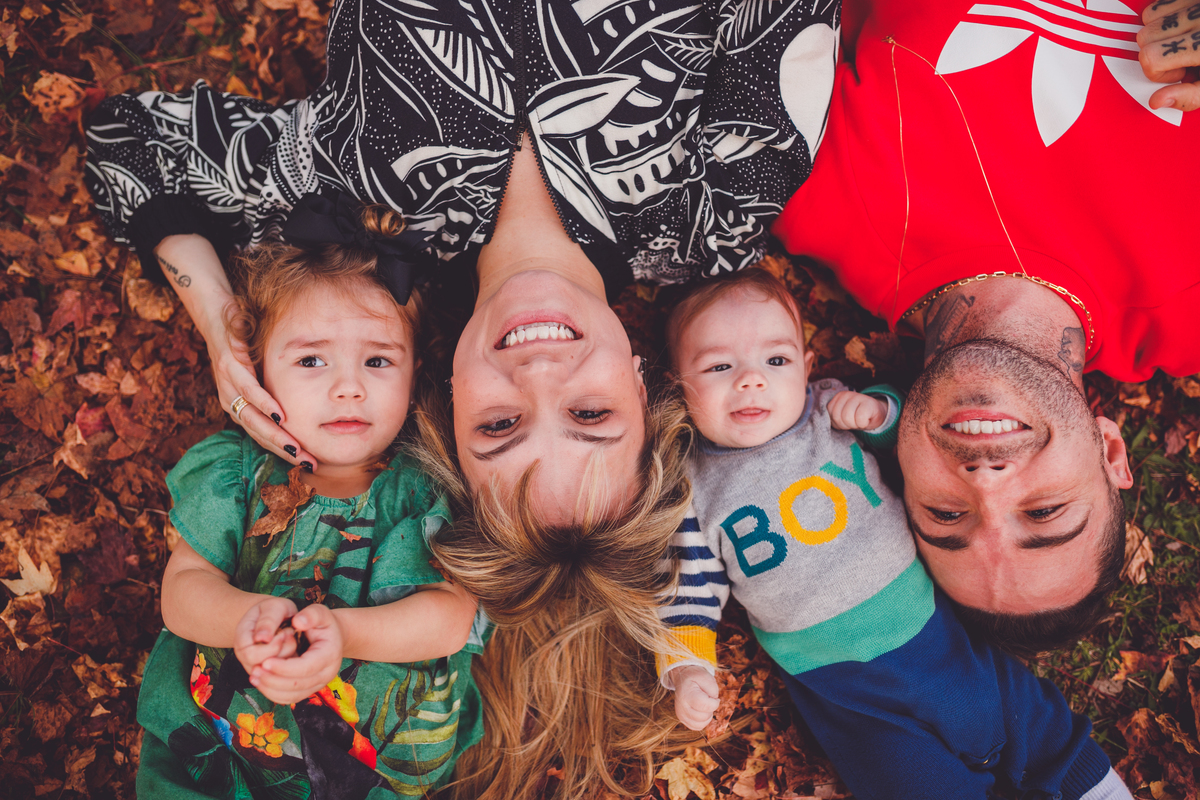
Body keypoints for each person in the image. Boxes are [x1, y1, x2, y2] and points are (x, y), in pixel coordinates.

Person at [84, 1, 843, 795]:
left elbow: (128, 147)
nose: (542, 375)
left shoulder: (358, 202)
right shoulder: (720, 207)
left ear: (446, 407)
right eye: (592, 416)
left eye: (500, 425)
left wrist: (221, 326)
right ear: (645, 383)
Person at [772, 0, 1200, 653]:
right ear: (1111, 453)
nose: (986, 481)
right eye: (1045, 512)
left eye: (947, 515)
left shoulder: (815, 199)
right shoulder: (1187, 310)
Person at [655, 267, 1132, 800]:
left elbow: (925, 444)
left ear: (806, 368)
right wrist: (686, 663)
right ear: (677, 386)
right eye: (719, 366)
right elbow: (687, 586)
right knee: (907, 781)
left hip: (935, 635)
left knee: (1029, 720)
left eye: (776, 361)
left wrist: (879, 412)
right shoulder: (692, 488)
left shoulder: (826, 412)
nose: (751, 379)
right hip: (844, 690)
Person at [139, 215, 484, 797]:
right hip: (219, 752)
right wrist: (245, 619)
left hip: (378, 769)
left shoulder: (426, 486)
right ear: (256, 370)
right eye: (310, 361)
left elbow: (450, 618)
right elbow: (183, 593)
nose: (348, 387)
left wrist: (344, 635)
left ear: (413, 372)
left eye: (377, 362)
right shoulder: (237, 472)